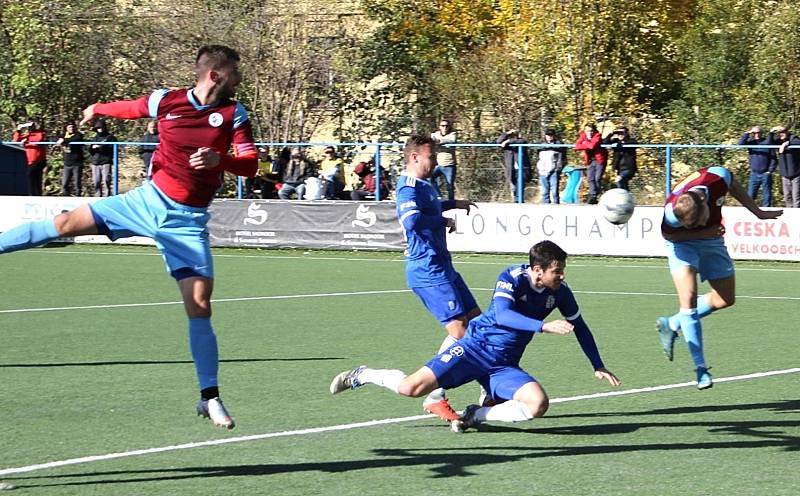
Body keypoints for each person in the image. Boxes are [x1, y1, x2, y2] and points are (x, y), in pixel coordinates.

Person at [0, 44, 258, 429]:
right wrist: (97, 108)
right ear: (216, 75)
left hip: (186, 222)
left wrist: (222, 160)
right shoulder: (167, 101)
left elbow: (251, 164)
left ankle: (209, 397)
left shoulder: (234, 113)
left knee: (200, 305)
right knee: (66, 223)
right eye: (236, 72)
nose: (240, 78)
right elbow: (131, 107)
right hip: (145, 200)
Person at [330, 240, 621, 433]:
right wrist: (543, 326)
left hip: (504, 365)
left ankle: (474, 415)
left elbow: (580, 325)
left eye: (562, 271)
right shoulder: (511, 277)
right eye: (557, 271)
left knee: (538, 405)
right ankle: (364, 374)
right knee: (410, 388)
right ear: (537, 270)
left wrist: (597, 363)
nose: (562, 276)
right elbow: (505, 315)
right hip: (473, 350)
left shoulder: (560, 293)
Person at [655, 166, 782, 389]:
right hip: (680, 245)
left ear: (705, 203)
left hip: (712, 242)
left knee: (725, 299)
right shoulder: (671, 212)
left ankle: (673, 323)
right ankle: (701, 369)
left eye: (700, 220)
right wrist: (702, 231)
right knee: (689, 302)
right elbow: (668, 235)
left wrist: (758, 212)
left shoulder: (717, 177)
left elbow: (733, 184)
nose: (702, 222)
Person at [390, 134, 481, 421]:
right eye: (431, 156)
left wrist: (454, 203)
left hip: (443, 267)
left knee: (478, 325)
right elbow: (412, 220)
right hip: (427, 270)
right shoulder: (406, 188)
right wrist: (443, 220)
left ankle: (488, 390)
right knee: (461, 333)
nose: (436, 160)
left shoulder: (425, 185)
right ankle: (434, 395)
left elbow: (430, 206)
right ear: (415, 157)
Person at [737, 126, 775, 207]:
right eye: (754, 133)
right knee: (750, 195)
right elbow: (740, 144)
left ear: (761, 133)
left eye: (758, 132)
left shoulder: (767, 142)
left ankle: (767, 212)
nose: (757, 134)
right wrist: (748, 133)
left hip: (765, 173)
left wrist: (769, 171)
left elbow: (773, 158)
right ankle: (750, 211)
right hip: (754, 173)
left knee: (767, 196)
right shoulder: (751, 142)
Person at [766, 126, 800, 208]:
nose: (782, 134)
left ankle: (797, 217)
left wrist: (786, 144)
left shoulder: (793, 139)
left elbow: (798, 142)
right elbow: (768, 142)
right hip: (784, 175)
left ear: (787, 132)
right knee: (787, 197)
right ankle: (790, 216)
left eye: (783, 132)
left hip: (796, 174)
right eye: (780, 132)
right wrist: (771, 131)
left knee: (796, 197)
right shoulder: (778, 141)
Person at [574, 123, 608, 204]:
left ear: (594, 130)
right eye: (587, 131)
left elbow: (592, 146)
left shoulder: (597, 135)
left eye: (591, 131)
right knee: (590, 178)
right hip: (590, 160)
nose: (589, 132)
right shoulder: (583, 135)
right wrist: (586, 143)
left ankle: (596, 194)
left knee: (597, 178)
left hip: (599, 160)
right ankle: (593, 195)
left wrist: (585, 143)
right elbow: (577, 145)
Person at [12, 120, 47, 196]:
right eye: (29, 126)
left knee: (29, 173)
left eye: (32, 125)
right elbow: (16, 139)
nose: (30, 127)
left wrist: (27, 140)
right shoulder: (27, 135)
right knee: (36, 177)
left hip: (40, 160)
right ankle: (37, 195)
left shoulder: (39, 133)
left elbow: (38, 140)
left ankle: (32, 194)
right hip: (31, 161)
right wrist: (18, 130)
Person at [497, 129, 531, 198]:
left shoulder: (522, 141)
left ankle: (520, 200)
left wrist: (508, 141)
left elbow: (521, 141)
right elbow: (498, 142)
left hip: (521, 168)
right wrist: (507, 133)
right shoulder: (508, 145)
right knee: (513, 187)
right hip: (511, 168)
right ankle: (516, 199)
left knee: (520, 185)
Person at [88, 119, 117, 196]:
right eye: (98, 128)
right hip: (95, 162)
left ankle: (107, 196)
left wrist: (100, 147)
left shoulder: (110, 137)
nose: (99, 129)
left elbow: (111, 148)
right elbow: (90, 150)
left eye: (101, 127)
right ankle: (97, 196)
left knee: (106, 180)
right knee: (96, 181)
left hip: (106, 162)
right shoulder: (95, 138)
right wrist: (93, 148)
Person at [536, 128, 565, 204]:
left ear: (554, 136)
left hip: (553, 170)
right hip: (542, 170)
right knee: (545, 191)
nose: (549, 137)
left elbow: (561, 157)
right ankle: (546, 207)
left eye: (551, 135)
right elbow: (535, 149)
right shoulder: (540, 145)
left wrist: (558, 168)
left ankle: (556, 205)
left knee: (554, 191)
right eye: (547, 135)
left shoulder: (558, 145)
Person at [56, 121, 85, 196]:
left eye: (72, 127)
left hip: (77, 163)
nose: (71, 128)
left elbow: (75, 139)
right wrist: (61, 139)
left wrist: (64, 141)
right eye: (69, 127)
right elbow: (57, 139)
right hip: (67, 163)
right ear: (66, 128)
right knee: (64, 183)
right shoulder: (63, 135)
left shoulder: (78, 135)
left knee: (77, 183)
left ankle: (78, 197)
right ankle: (66, 197)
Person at [604, 126, 637, 190]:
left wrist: (623, 143)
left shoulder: (631, 141)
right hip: (619, 168)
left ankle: (624, 195)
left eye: (622, 133)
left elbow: (634, 144)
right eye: (619, 133)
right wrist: (611, 134)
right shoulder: (615, 141)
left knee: (619, 180)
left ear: (626, 133)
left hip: (628, 167)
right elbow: (605, 142)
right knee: (623, 184)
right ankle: (627, 196)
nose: (620, 135)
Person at [430, 119, 457, 200]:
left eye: (447, 126)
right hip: (438, 164)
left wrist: (439, 141)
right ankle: (439, 196)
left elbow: (452, 140)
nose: (445, 128)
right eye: (443, 126)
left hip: (449, 165)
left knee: (450, 185)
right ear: (439, 127)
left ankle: (451, 202)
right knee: (430, 178)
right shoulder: (436, 134)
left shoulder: (452, 134)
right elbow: (431, 138)